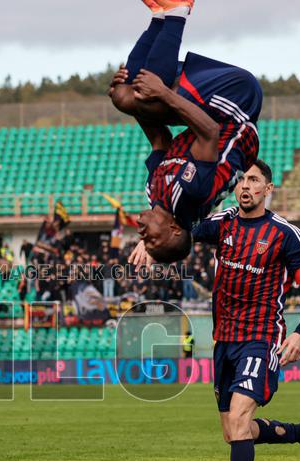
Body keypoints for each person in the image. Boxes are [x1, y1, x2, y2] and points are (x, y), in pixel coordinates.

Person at [137, 161, 300, 461]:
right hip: (224, 341)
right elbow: (181, 231)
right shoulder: (222, 223)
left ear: (268, 188)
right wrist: (151, 244)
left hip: (261, 337)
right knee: (235, 431)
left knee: (239, 420)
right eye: (241, 179)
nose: (245, 186)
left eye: (254, 180)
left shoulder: (284, 234)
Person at [113, 0, 262, 264]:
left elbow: (160, 139)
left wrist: (128, 99)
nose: (141, 234)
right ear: (174, 229)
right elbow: (210, 133)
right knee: (152, 97)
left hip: (207, 111)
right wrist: (162, 93)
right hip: (237, 104)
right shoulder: (191, 195)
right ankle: (178, 10)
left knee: (124, 96)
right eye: (152, 239)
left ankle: (159, 17)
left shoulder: (154, 191)